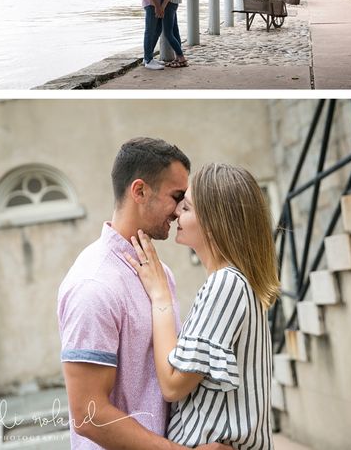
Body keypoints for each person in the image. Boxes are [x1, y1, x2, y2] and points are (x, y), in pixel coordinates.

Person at [57, 138, 229, 450]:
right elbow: (88, 414)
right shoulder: (93, 285)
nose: (180, 211)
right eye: (176, 197)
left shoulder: (161, 274)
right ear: (139, 191)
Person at [126, 162, 280, 449]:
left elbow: (172, 384)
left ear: (215, 221)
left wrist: (160, 298)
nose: (176, 213)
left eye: (187, 208)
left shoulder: (226, 284)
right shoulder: (234, 283)